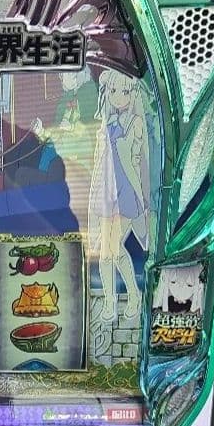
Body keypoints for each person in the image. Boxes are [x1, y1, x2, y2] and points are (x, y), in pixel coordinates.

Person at [89, 70, 152, 322]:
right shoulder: (107, 122)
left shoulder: (135, 123)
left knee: (112, 250)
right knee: (107, 253)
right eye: (113, 90)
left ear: (133, 93)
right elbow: (99, 162)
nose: (118, 96)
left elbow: (135, 161)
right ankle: (113, 301)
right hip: (107, 193)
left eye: (124, 91)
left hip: (126, 194)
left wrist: (142, 199)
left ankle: (130, 297)